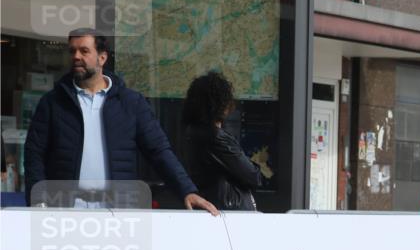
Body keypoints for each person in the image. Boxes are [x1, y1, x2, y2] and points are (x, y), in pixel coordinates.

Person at [23, 28, 218, 214]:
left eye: (84, 51)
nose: (76, 56)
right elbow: (34, 154)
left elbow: (158, 150)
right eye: (72, 51)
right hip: (65, 210)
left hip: (117, 211)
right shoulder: (52, 103)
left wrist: (187, 190)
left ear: (102, 57)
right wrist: (38, 201)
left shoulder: (131, 103)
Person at [181, 71, 261, 211]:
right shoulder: (216, 137)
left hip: (209, 207)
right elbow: (253, 176)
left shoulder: (191, 132)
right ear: (220, 104)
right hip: (228, 213)